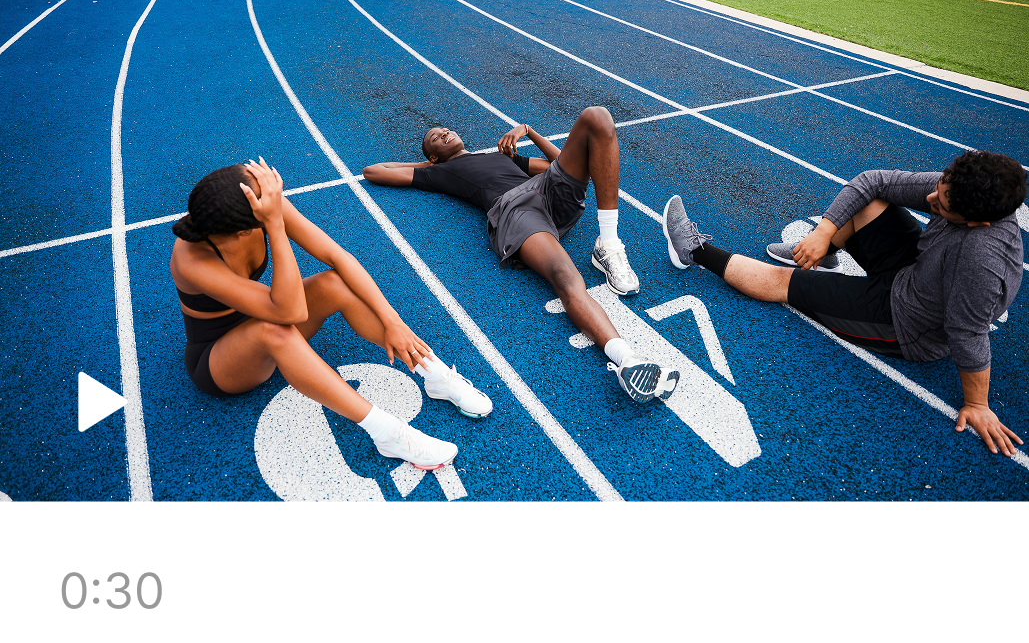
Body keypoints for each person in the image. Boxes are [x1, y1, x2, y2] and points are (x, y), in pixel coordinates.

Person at [661, 150, 1026, 456]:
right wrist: (823, 232)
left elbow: (967, 332)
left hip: (907, 322)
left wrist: (977, 404)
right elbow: (873, 181)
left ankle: (693, 251)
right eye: (938, 189)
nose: (931, 200)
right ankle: (820, 252)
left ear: (977, 223)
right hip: (918, 271)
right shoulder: (962, 189)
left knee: (784, 283)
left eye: (941, 206)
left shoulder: (980, 262)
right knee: (869, 202)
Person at [170, 158, 492, 470]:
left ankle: (433, 373)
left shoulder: (258, 204)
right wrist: (275, 224)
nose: (274, 194)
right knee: (274, 331)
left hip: (264, 315)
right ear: (244, 230)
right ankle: (388, 433)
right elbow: (291, 311)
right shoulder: (193, 260)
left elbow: (338, 257)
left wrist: (393, 322)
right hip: (219, 360)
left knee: (333, 284)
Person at [362, 107, 680, 404]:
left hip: (547, 191)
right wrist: (429, 165)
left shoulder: (500, 156)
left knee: (596, 117)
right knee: (566, 278)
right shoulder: (438, 172)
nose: (444, 133)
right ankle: (627, 360)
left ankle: (608, 242)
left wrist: (528, 131)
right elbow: (374, 171)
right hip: (516, 210)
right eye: (436, 137)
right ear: (433, 155)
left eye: (444, 129)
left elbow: (561, 162)